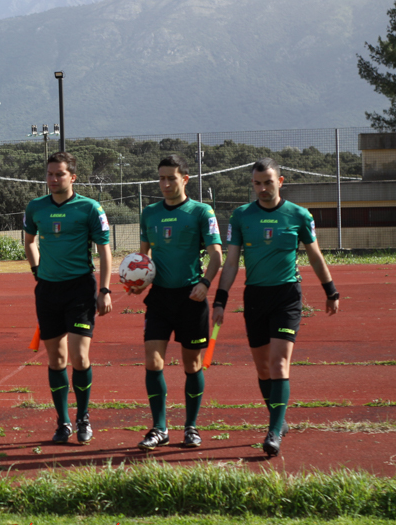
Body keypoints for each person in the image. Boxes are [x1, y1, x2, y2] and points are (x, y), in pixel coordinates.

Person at [212, 158, 339, 457]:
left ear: (280, 182)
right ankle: (279, 419)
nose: (262, 188)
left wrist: (330, 290)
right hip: (255, 297)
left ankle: (272, 431)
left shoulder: (299, 215)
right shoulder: (241, 216)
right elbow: (231, 263)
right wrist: (220, 300)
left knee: (279, 363)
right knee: (263, 367)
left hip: (287, 297)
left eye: (268, 182)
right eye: (257, 183)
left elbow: (315, 255)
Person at [129, 154, 223, 451]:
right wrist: (138, 282)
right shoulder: (149, 213)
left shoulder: (201, 211)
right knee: (152, 361)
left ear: (185, 179)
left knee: (192, 365)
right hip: (159, 299)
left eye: (171, 178)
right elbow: (143, 258)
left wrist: (205, 284)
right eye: (161, 178)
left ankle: (191, 427)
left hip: (191, 298)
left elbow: (217, 256)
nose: (165, 183)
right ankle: (159, 428)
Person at [23, 152, 112, 445]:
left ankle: (83, 418)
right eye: (49, 174)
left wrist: (105, 290)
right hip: (48, 291)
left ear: (72, 177)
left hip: (80, 290)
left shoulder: (90, 208)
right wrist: (37, 271)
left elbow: (104, 250)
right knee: (56, 359)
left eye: (59, 174)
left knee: (79, 357)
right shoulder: (35, 207)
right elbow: (29, 241)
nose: (53, 179)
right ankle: (63, 422)